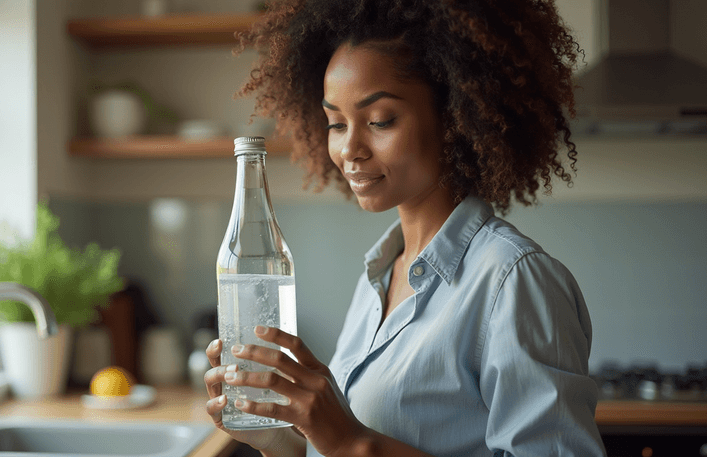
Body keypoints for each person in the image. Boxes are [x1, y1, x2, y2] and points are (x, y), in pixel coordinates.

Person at [204, 0, 607, 455]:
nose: (349, 149)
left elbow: (354, 445)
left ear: (454, 116)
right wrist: (277, 435)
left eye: (380, 121)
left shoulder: (513, 281)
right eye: (336, 123)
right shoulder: (379, 278)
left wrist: (352, 441)